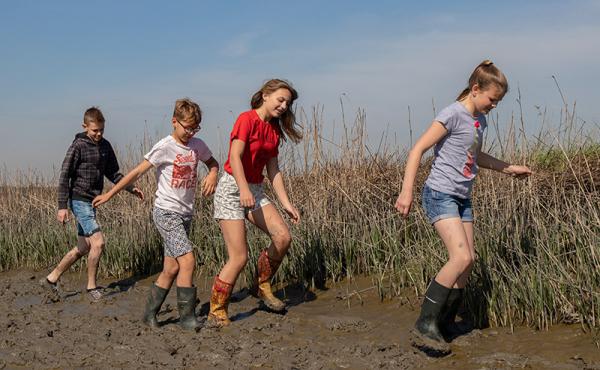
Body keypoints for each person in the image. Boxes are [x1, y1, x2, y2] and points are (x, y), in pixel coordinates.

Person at [395, 60, 532, 354]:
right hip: (440, 194)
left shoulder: (478, 120)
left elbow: (477, 156)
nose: (494, 106)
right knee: (458, 257)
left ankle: (444, 323)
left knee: (469, 260)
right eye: (492, 99)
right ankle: (425, 323)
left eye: (498, 101)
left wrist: (509, 168)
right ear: (475, 89)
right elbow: (417, 150)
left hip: (461, 197)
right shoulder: (452, 114)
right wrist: (406, 192)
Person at [93, 98, 218, 330]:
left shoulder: (197, 145)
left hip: (185, 215)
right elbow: (136, 172)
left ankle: (149, 315)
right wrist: (110, 195)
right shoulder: (165, 146)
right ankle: (187, 319)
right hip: (166, 213)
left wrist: (212, 174)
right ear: (174, 122)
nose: (190, 132)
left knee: (171, 268)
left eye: (195, 128)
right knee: (188, 260)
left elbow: (213, 163)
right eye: (187, 127)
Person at [209, 79, 302, 327]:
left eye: (287, 103)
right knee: (239, 257)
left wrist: (286, 203)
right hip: (231, 187)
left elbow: (274, 170)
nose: (283, 106)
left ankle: (261, 286)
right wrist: (242, 189)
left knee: (283, 237)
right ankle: (216, 310)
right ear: (265, 96)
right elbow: (234, 156)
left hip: (255, 189)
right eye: (280, 100)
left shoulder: (273, 131)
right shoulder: (246, 119)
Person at [41, 107, 143, 301]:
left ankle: (51, 278)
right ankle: (91, 287)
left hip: (92, 202)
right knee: (98, 242)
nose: (98, 134)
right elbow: (64, 176)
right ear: (85, 126)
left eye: (101, 130)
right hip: (79, 199)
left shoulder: (105, 146)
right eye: (94, 130)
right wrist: (62, 206)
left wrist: (131, 188)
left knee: (83, 248)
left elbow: (114, 173)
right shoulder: (78, 145)